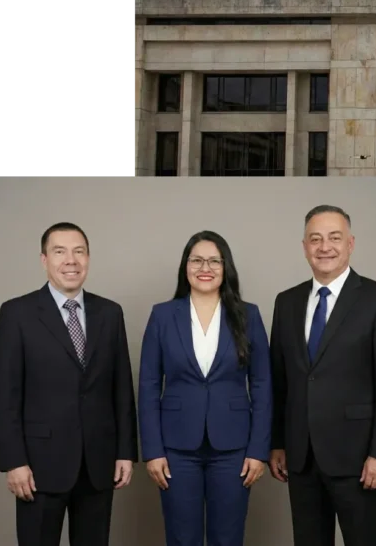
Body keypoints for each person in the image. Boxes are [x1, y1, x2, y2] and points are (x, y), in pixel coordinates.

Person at [269, 205, 376, 546]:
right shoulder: (286, 302)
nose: (324, 247)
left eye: (334, 238)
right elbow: (279, 381)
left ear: (350, 243)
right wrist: (277, 443)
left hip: (359, 459)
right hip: (301, 458)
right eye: (315, 239)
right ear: (304, 246)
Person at [0, 222, 137, 546]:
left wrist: (126, 452)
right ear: (44, 260)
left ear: (88, 258)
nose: (71, 260)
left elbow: (122, 390)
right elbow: (4, 397)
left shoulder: (110, 313)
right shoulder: (17, 314)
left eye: (79, 251)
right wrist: (14, 461)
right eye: (60, 252)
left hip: (98, 464)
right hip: (39, 466)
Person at [138, 231, 272, 546]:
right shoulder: (162, 316)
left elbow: (263, 385)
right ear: (185, 266)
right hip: (176, 448)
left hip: (234, 448)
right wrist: (153, 451)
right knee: (182, 538)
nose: (205, 268)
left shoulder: (248, 315)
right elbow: (148, 386)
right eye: (196, 260)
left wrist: (258, 450)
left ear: (226, 267)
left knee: (228, 538)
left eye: (214, 261)